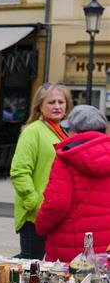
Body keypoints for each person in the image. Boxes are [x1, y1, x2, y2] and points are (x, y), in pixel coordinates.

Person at [35, 105, 110, 263]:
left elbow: (56, 205)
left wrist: (40, 226)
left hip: (70, 252)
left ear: (75, 132)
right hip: (106, 251)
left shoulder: (66, 159)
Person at [10, 82, 72, 259]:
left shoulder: (62, 132)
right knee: (31, 261)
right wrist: (34, 202)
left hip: (54, 213)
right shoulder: (33, 131)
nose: (57, 106)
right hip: (36, 214)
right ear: (40, 106)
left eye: (61, 102)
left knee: (42, 264)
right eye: (51, 102)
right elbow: (19, 170)